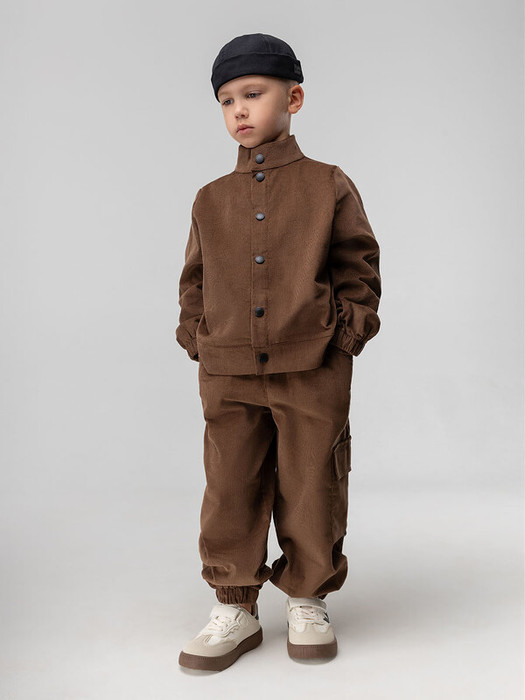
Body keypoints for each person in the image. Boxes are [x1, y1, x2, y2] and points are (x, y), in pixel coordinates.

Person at [175, 32, 381, 672]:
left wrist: (342, 339)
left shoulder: (328, 185)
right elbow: (193, 281)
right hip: (228, 370)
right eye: (226, 100)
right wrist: (199, 337)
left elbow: (359, 269)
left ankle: (307, 597)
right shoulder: (210, 198)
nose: (239, 109)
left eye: (253, 94)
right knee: (229, 486)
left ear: (293, 99)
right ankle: (234, 605)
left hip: (312, 366)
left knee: (313, 482)